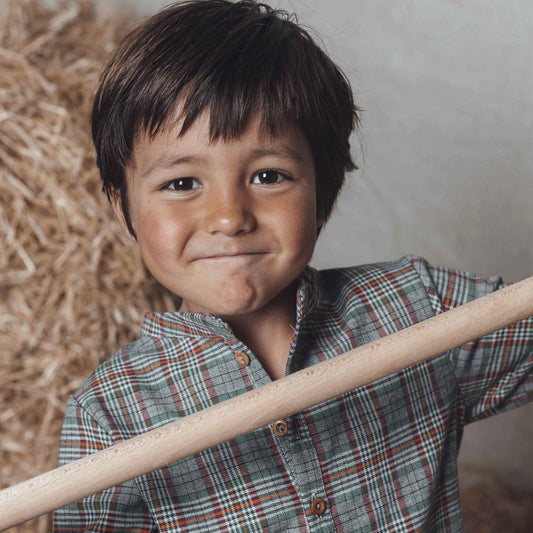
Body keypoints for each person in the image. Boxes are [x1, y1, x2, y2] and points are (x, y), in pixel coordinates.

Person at [53, 1, 532, 531]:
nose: (229, 217)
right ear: (124, 207)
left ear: (322, 191)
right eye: (182, 183)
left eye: (268, 176)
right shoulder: (111, 414)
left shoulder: (417, 307)